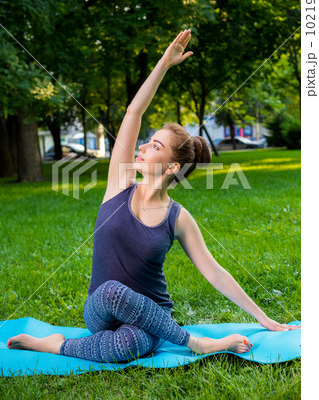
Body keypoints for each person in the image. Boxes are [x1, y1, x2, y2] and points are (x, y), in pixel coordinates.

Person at [7, 29, 300, 363]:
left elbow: (214, 272)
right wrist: (164, 62)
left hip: (152, 317)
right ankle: (195, 343)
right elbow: (134, 112)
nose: (142, 147)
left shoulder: (178, 218)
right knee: (112, 292)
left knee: (129, 346)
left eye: (155, 146)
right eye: (147, 141)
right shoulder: (120, 182)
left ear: (173, 165)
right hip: (102, 308)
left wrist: (263, 318)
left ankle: (55, 344)